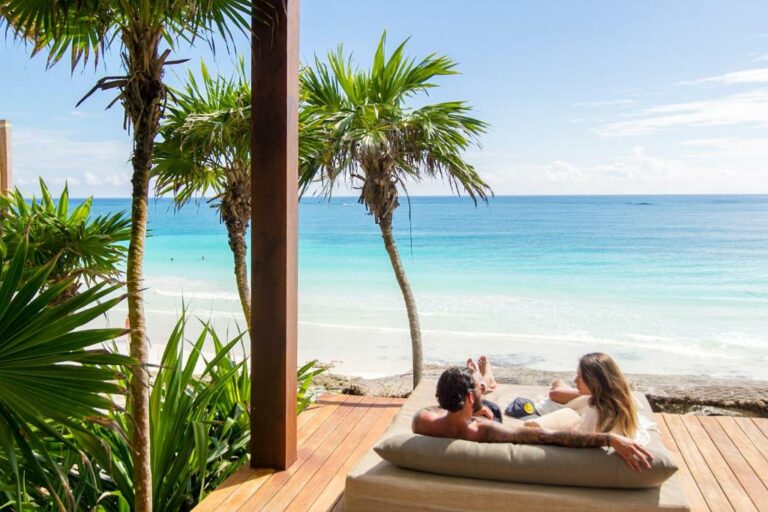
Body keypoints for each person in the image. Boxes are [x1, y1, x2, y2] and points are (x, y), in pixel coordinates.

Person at [412, 366, 653, 472]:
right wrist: (609, 439)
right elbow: (546, 436)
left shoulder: (422, 421)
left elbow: (443, 408)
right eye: (479, 389)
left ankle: (486, 379)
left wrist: (472, 408)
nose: (480, 393)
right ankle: (488, 379)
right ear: (468, 398)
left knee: (487, 406)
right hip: (475, 412)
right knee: (493, 409)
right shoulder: (483, 430)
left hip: (461, 407)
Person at [549, 352, 639, 438]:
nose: (575, 380)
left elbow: (581, 439)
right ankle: (559, 384)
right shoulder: (622, 400)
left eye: (580, 376)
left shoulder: (596, 409)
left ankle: (559, 384)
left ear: (595, 380)